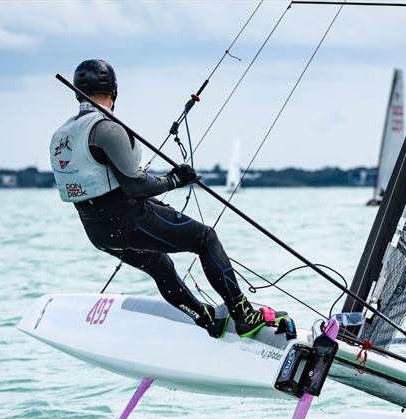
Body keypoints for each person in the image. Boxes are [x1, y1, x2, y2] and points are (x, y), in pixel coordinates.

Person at [49, 59, 267, 338]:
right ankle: (243, 315)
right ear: (114, 92)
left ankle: (206, 319)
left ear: (77, 93)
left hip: (97, 232)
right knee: (205, 238)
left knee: (159, 266)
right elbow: (136, 186)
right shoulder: (107, 128)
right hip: (129, 221)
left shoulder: (62, 134)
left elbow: (106, 187)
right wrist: (175, 179)